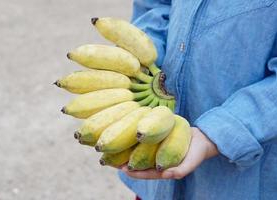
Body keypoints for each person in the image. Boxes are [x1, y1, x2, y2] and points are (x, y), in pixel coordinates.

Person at [118, 0, 277, 199]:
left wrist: (215, 135)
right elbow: (155, 4)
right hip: (155, 171)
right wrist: (142, 56)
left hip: (243, 181)